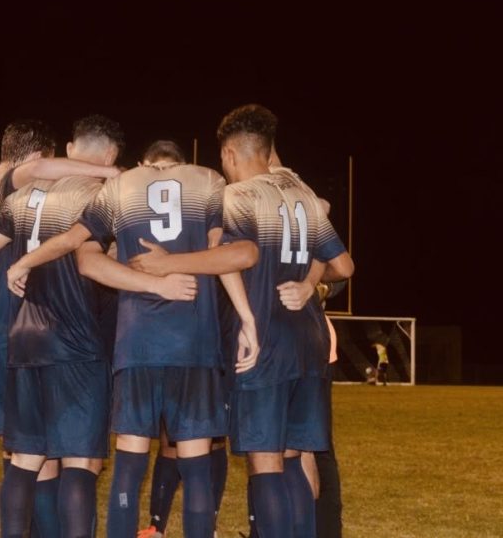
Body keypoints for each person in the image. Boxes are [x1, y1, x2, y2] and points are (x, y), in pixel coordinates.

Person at [6, 139, 259, 538]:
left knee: (129, 465)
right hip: (194, 344)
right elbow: (225, 254)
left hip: (136, 344)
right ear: (182, 163)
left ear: (143, 162)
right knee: (195, 466)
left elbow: (84, 257)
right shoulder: (209, 181)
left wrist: (23, 261)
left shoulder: (120, 188)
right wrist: (247, 319)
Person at [128, 105, 354, 538]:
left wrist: (168, 263)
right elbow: (342, 265)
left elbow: (236, 256)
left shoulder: (238, 197)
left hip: (265, 339)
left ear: (229, 154)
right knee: (293, 457)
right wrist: (308, 283)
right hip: (308, 339)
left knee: (264, 460)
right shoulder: (303, 194)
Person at [0, 119, 122, 538]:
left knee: (24, 459)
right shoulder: (104, 193)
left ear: (72, 147)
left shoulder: (22, 195)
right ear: (110, 155)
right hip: (75, 339)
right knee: (80, 461)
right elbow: (102, 260)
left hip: (21, 340)